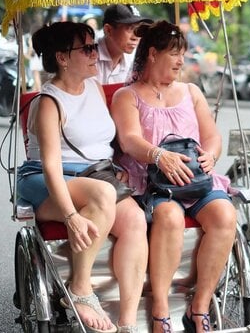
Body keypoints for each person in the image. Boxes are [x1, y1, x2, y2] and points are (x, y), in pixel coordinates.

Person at [16, 22, 148, 333]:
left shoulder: (94, 87)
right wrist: (71, 216)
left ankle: (128, 322)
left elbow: (103, 143)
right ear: (62, 58)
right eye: (87, 48)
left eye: (94, 46)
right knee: (103, 194)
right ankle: (80, 288)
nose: (95, 53)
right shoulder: (48, 102)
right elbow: (51, 166)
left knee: (135, 220)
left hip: (95, 176)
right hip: (48, 181)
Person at [111, 20, 237, 333]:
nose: (181, 61)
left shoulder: (191, 92)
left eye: (183, 54)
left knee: (225, 215)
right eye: (175, 54)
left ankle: (200, 306)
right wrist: (159, 156)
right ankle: (161, 309)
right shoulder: (127, 96)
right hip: (154, 182)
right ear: (153, 53)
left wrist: (210, 156)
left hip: (196, 179)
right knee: (169, 217)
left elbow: (212, 136)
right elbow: (128, 139)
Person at [95, 4, 152, 84]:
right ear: (108, 30)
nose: (136, 37)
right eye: (130, 28)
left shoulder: (134, 59)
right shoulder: (89, 57)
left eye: (139, 29)